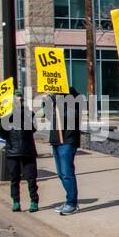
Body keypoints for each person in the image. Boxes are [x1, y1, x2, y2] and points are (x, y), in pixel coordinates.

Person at [49, 86, 84, 215]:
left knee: (67, 173)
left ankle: (72, 203)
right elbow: (48, 116)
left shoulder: (74, 105)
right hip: (56, 140)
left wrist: (58, 103)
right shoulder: (56, 104)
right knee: (60, 173)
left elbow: (67, 117)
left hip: (67, 141)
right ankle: (70, 199)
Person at [2, 94, 39, 213]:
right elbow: (3, 134)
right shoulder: (6, 115)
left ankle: (34, 201)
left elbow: (33, 128)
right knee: (14, 178)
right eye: (17, 99)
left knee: (31, 178)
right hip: (12, 151)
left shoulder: (29, 114)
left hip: (27, 150)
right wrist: (2, 121)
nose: (19, 101)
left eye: (21, 99)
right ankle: (16, 202)